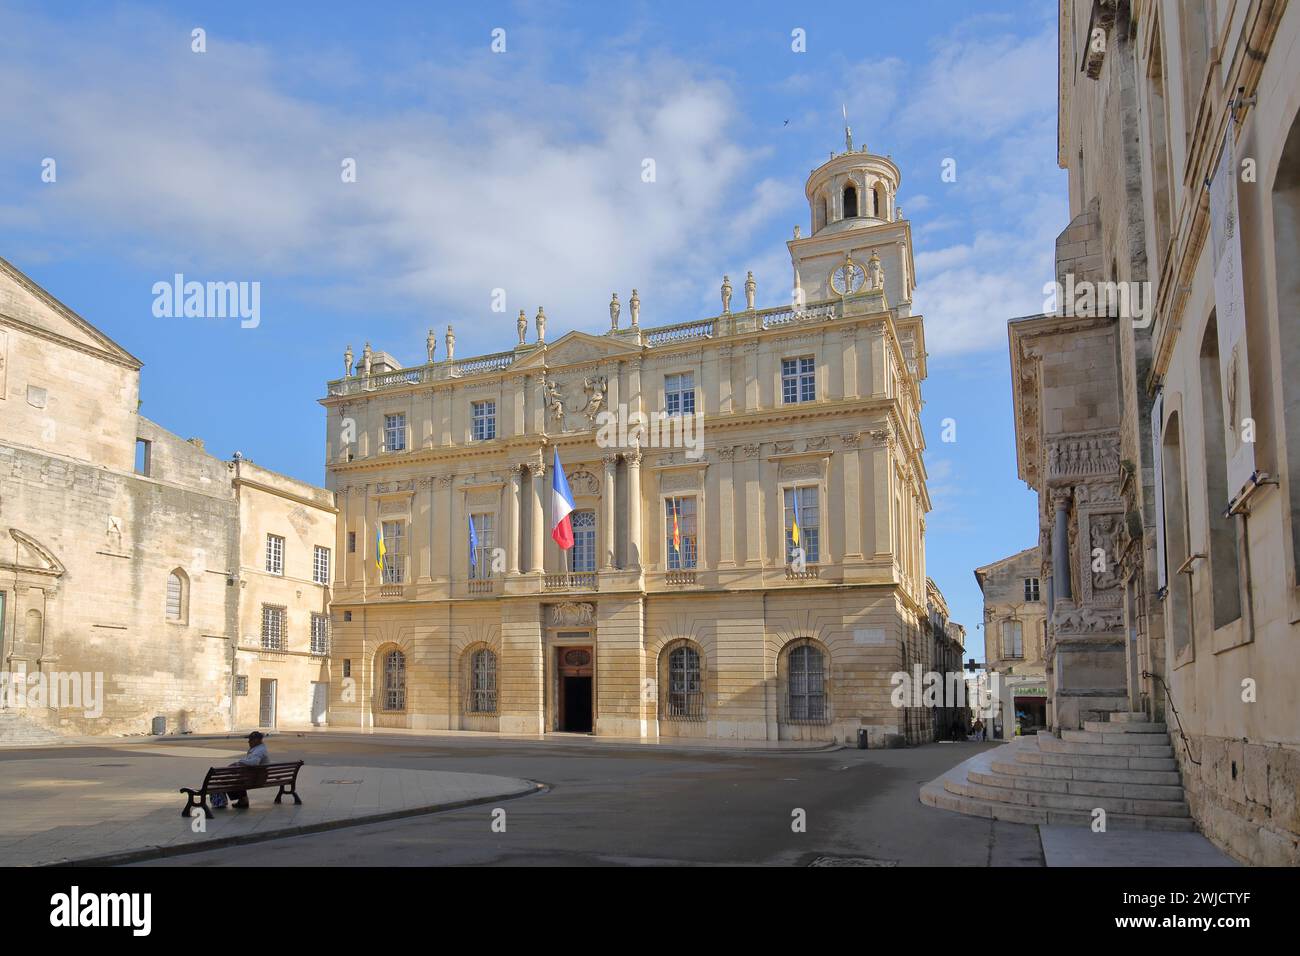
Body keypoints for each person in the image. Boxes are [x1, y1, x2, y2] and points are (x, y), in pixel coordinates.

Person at [224, 731, 270, 809]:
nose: (248, 742)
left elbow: (254, 762)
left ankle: (243, 800)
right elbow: (250, 760)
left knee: (230, 780)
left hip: (256, 779)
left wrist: (239, 762)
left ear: (257, 740)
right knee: (237, 778)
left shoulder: (259, 751)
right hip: (256, 776)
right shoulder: (258, 749)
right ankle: (243, 800)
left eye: (250, 740)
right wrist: (238, 763)